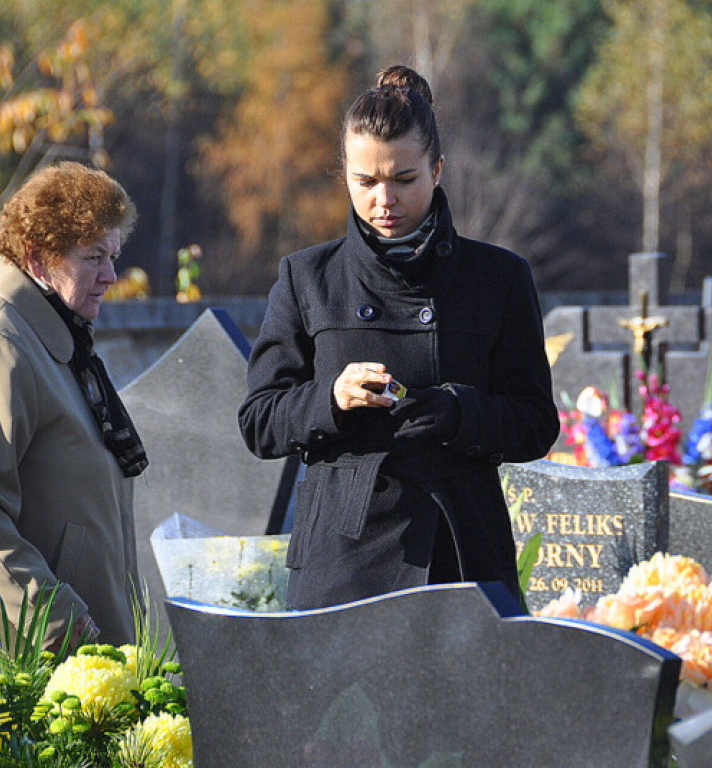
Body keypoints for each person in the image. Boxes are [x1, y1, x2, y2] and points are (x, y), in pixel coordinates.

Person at [238, 66, 559, 610]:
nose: (384, 200)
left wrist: (462, 412)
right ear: (344, 176)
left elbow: (536, 423)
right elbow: (260, 423)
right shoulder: (307, 276)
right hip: (344, 557)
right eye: (365, 182)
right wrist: (332, 399)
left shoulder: (499, 277)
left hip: (462, 551)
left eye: (403, 179)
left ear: (436, 169)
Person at [0, 161, 147, 648]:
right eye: (93, 257)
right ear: (37, 258)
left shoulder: (45, 332)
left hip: (48, 657)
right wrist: (55, 618)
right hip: (6, 663)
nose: (111, 276)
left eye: (113, 255)